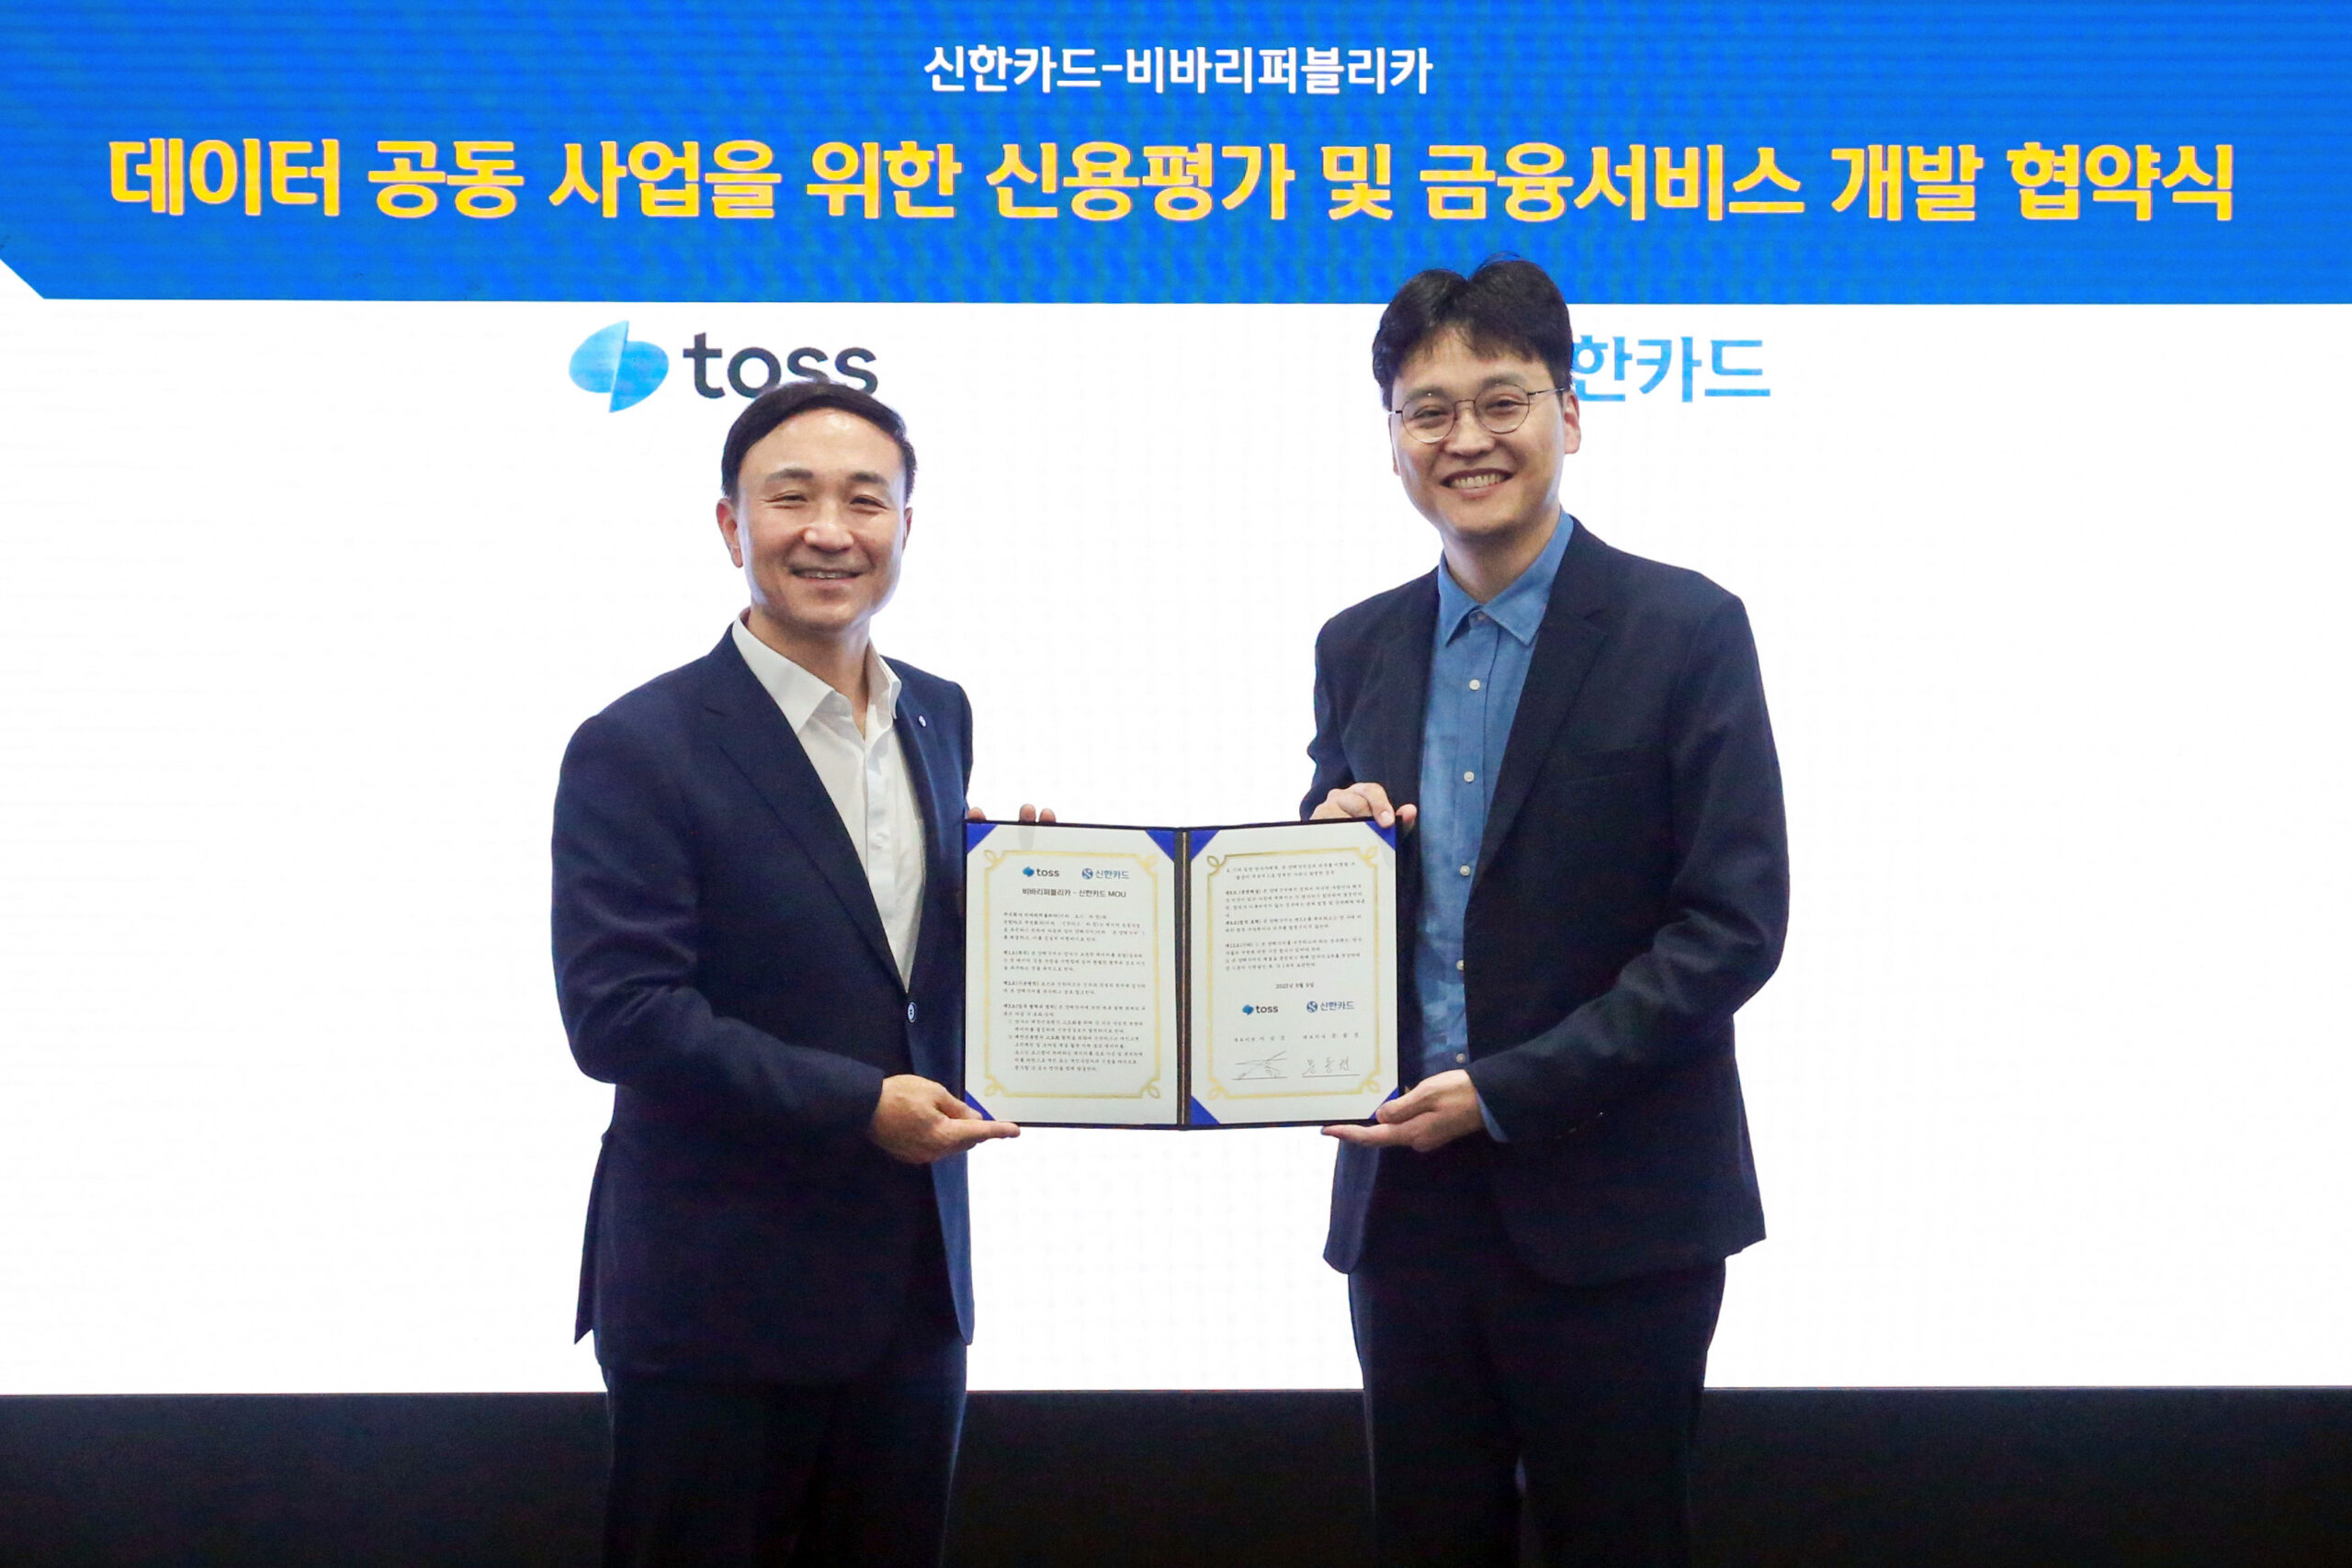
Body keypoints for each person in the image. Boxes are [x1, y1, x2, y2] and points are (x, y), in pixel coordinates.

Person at [1306, 257, 1790, 1567]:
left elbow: (1732, 925)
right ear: (1392, 441)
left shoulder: (1686, 628)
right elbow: (1322, 897)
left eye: (1501, 400)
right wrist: (1324, 843)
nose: (1465, 437)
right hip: (1407, 1207)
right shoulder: (1357, 644)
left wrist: (1506, 1089)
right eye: (1428, 410)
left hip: (1618, 1205)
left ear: (1569, 416)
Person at [551, 379, 1041, 1567]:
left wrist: (1034, 906)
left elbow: (886, 963)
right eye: (792, 498)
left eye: (866, 500)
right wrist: (857, 1103)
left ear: (906, 526)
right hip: (717, 1305)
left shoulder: (938, 713)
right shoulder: (637, 744)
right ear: (732, 526)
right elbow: (622, 1015)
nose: (831, 531)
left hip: (911, 1296)